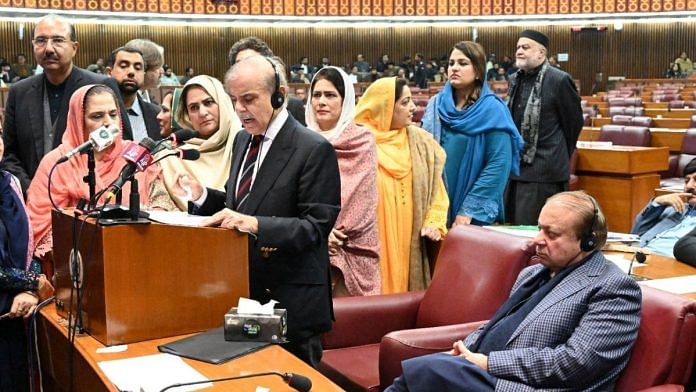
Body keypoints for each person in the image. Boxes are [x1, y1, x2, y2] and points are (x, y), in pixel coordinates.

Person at [385, 191, 641, 391]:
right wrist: (465, 351)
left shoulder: (613, 288)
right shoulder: (532, 273)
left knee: (426, 372)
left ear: (588, 240)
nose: (537, 239)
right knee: (422, 373)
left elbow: (577, 363)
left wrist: (488, 362)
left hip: (537, 387)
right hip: (492, 373)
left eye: (552, 234)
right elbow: (498, 326)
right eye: (540, 228)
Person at [182, 56, 340, 367]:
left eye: (249, 99)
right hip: (247, 292)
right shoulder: (243, 140)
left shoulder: (313, 148)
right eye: (235, 100)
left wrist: (255, 224)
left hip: (291, 301)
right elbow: (237, 205)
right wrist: (201, 196)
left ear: (279, 94)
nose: (240, 109)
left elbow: (315, 228)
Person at [26, 84, 155, 268]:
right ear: (78, 121)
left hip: (136, 256)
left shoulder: (134, 154)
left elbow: (160, 199)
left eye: (113, 114)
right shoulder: (57, 163)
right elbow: (40, 224)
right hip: (77, 265)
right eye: (97, 116)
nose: (108, 123)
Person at [2, 14, 132, 193]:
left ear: (74, 47)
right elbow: (11, 155)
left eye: (58, 40)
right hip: (32, 200)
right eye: (40, 41)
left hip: (87, 199)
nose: (48, 48)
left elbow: (121, 143)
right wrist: (34, 189)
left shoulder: (99, 86)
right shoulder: (19, 92)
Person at [354, 77, 448, 294]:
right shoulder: (356, 144)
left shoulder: (422, 142)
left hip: (410, 240)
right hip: (369, 241)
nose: (413, 108)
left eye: (412, 101)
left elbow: (437, 192)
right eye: (405, 102)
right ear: (384, 107)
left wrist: (434, 222)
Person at [421, 41, 524, 227]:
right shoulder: (436, 104)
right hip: (433, 202)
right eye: (451, 63)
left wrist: (468, 211)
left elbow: (498, 164)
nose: (454, 68)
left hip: (470, 208)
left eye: (462, 63)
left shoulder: (493, 109)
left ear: (478, 70)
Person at [305, 66, 380, 296]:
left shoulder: (361, 140)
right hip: (310, 242)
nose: (321, 102)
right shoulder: (302, 141)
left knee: (351, 324)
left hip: (352, 244)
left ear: (345, 100)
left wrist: (332, 232)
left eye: (330, 95)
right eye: (316, 95)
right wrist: (319, 231)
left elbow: (363, 198)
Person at [504, 29, 584, 225]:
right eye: (517, 48)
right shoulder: (515, 79)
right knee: (511, 231)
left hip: (545, 172)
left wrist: (556, 154)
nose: (519, 52)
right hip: (515, 169)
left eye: (525, 47)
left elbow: (573, 123)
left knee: (535, 234)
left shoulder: (559, 80)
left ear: (541, 53)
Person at [0, 126, 54, 392]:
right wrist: (32, 281)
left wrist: (29, 290)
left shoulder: (9, 183)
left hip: (13, 318)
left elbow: (29, 242)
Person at [148, 75, 240, 211]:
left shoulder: (246, 146)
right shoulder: (169, 156)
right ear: (187, 115)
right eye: (194, 108)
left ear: (223, 103)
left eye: (208, 103)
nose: (202, 113)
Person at [227, 36, 306, 126]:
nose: (246, 70)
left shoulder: (292, 106)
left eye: (252, 64)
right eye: (239, 66)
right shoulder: (227, 109)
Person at [631, 157, 696, 258]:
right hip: (635, 258)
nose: (689, 186)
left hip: (669, 267)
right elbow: (635, 235)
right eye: (686, 181)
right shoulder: (674, 209)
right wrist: (656, 203)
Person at [106, 46, 161, 142]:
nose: (131, 72)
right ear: (109, 72)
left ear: (143, 74)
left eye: (138, 68)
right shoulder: (96, 113)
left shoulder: (156, 115)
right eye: (123, 66)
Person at [124, 38, 164, 103]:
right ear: (143, 68)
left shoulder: (147, 96)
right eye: (158, 67)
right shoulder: (118, 102)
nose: (162, 71)